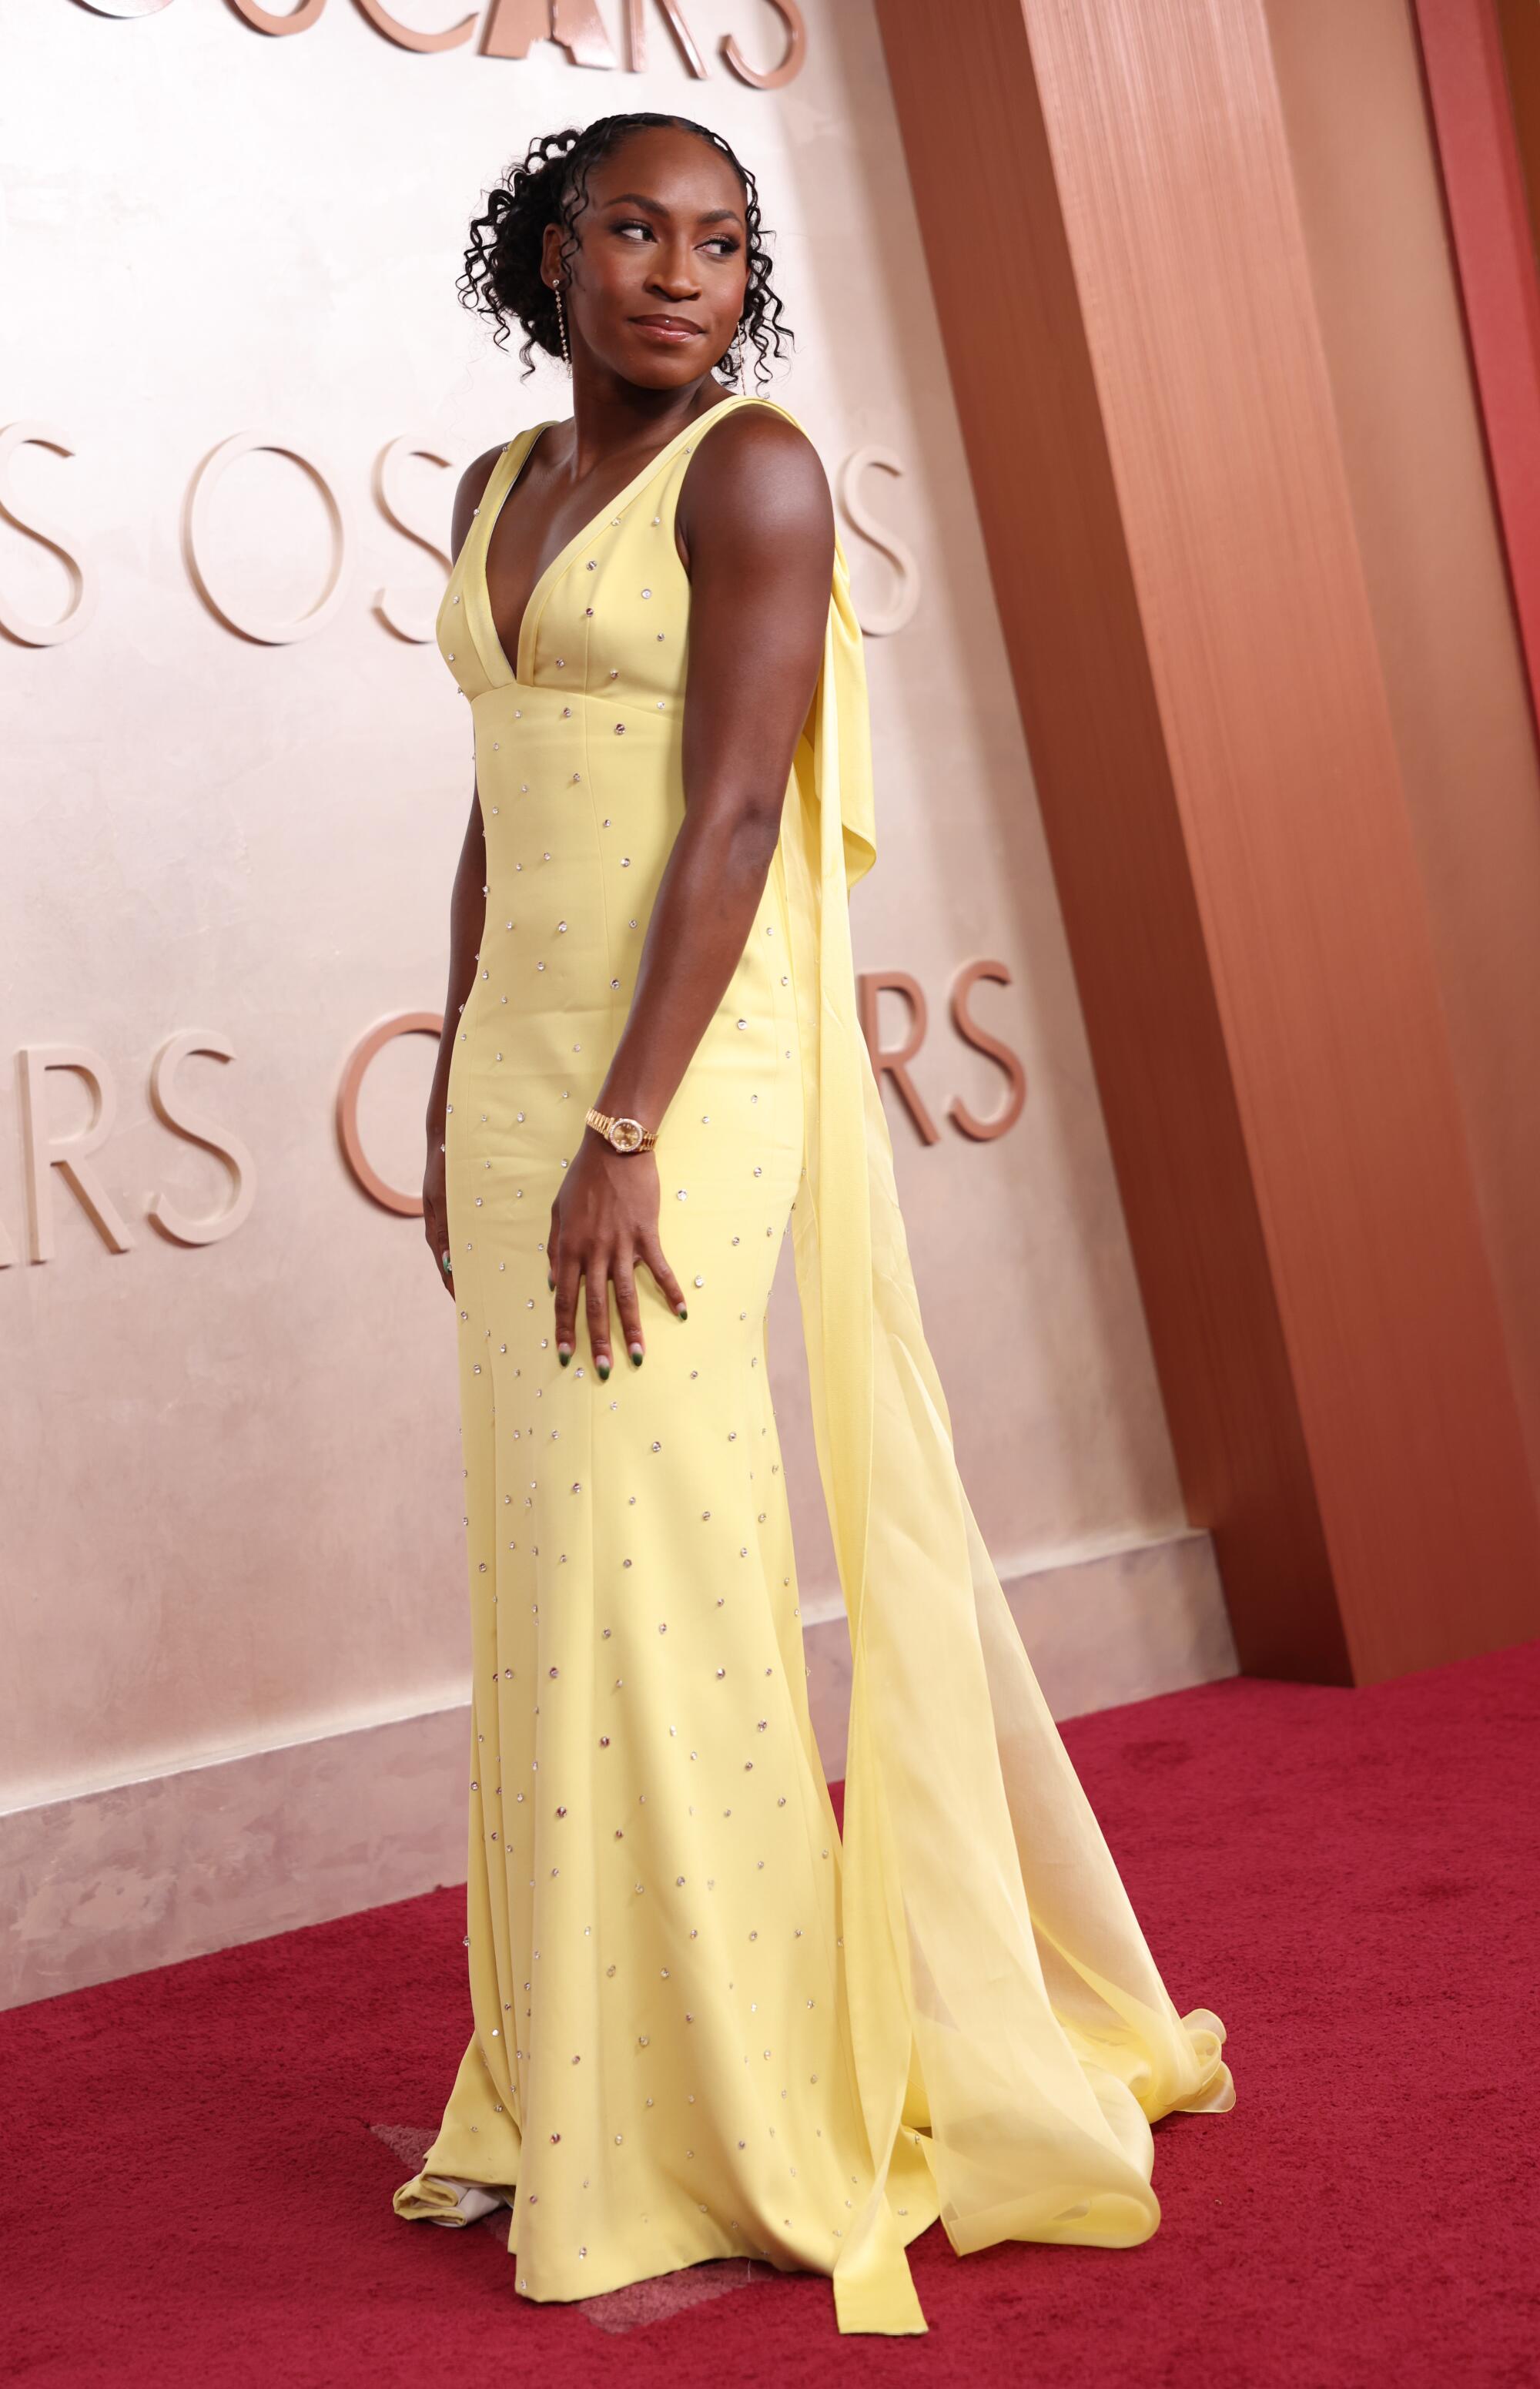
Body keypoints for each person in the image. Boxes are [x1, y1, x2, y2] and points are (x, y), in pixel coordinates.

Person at [393, 109, 1233, 2337]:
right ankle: (576, 2078)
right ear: (549, 252)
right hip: (526, 1082)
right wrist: (471, 1076)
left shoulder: (749, 473)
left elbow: (742, 807)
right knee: (552, 1568)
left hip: (680, 1084)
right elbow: (493, 812)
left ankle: (748, 2105)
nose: (683, 272)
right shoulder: (493, 495)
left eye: (722, 241)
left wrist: (624, 1123)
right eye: (638, 232)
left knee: (666, 1560)